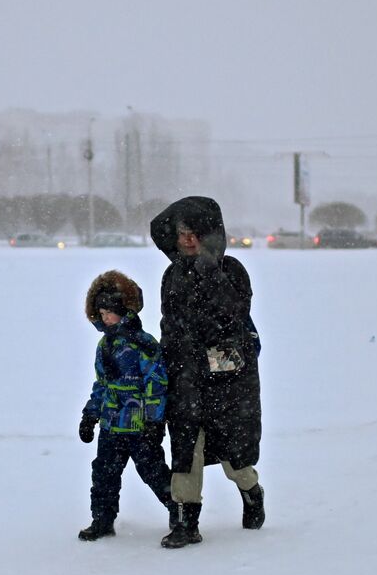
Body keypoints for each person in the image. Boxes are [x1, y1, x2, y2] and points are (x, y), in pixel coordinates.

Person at [150, 196, 264, 549]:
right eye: (182, 233)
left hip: (227, 381)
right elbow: (169, 323)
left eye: (194, 233)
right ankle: (187, 521)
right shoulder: (171, 274)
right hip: (184, 376)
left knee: (233, 453)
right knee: (186, 446)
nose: (187, 240)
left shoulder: (231, 270)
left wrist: (210, 271)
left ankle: (251, 491)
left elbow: (233, 315)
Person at [77, 270, 174, 541]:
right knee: (104, 473)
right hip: (111, 425)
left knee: (153, 472)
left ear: (124, 310)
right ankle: (102, 520)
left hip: (140, 425)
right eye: (101, 312)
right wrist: (91, 415)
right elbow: (102, 384)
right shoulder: (104, 346)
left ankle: (180, 514)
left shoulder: (143, 344)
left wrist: (155, 420)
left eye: (110, 311)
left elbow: (156, 384)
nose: (105, 317)